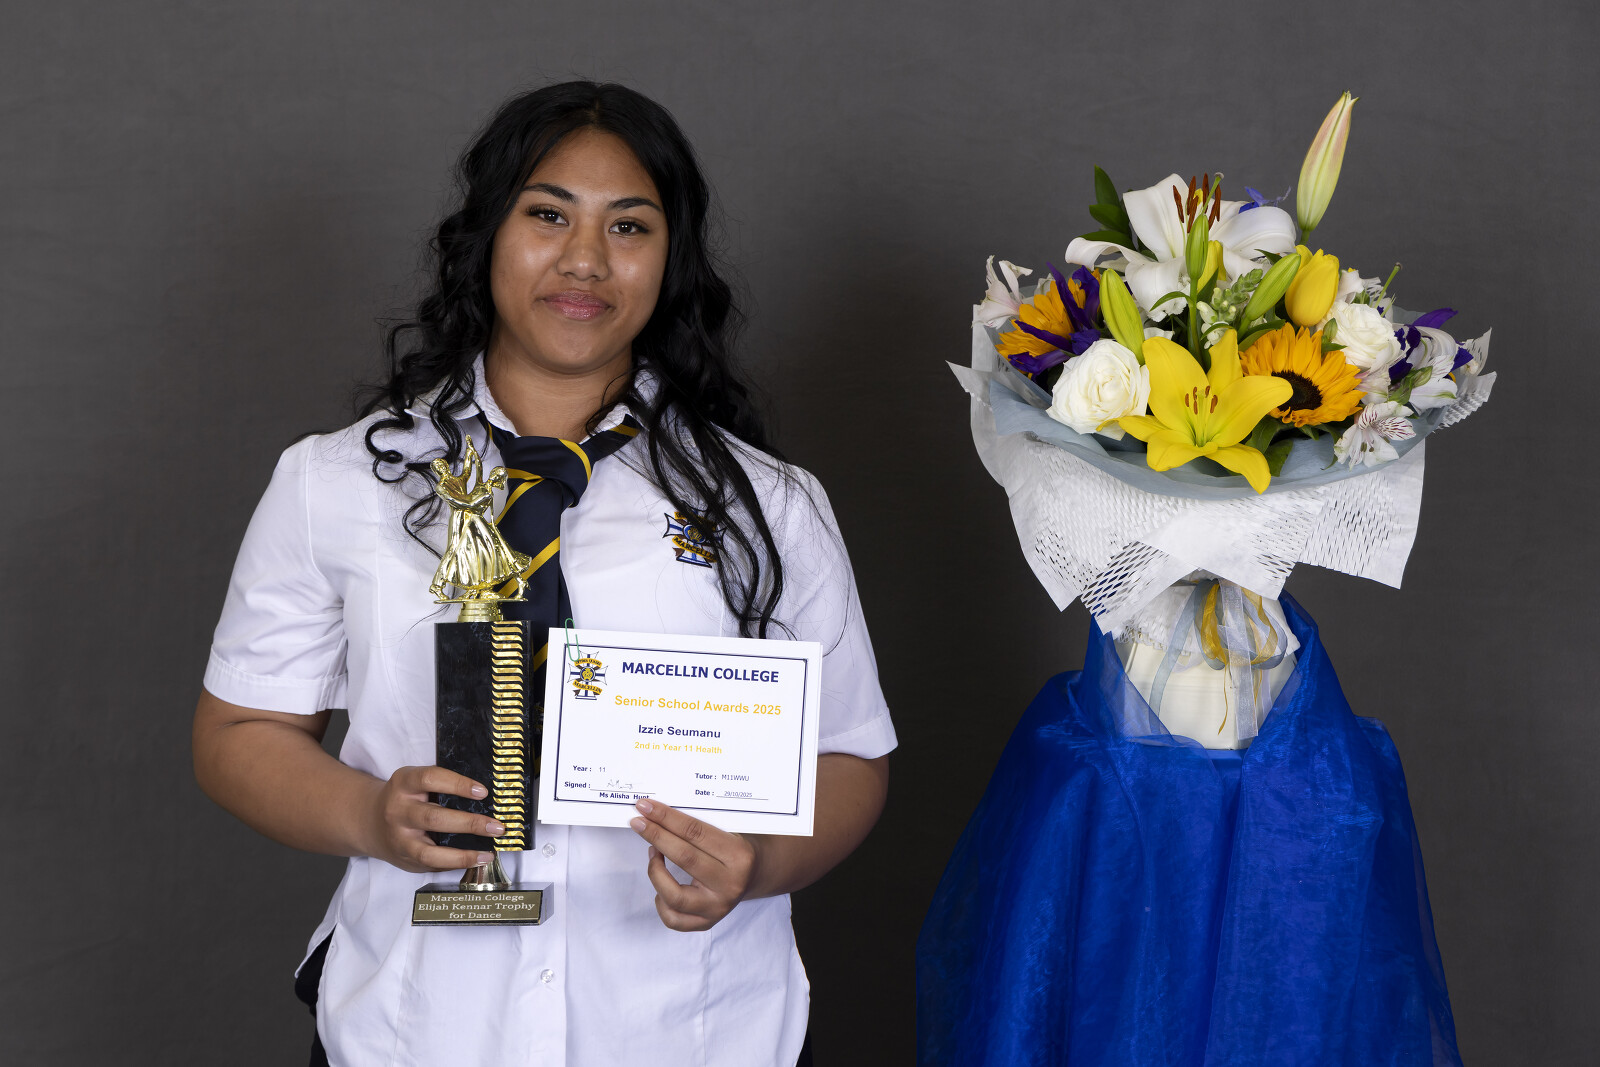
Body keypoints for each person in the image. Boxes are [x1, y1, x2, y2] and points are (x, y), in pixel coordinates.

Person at [192, 81, 895, 1067]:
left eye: (629, 226)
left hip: (690, 1032)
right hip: (419, 1029)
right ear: (487, 233)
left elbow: (849, 756)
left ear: (670, 259)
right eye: (548, 215)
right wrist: (368, 815)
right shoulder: (338, 481)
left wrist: (759, 861)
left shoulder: (767, 504)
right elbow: (239, 731)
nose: (585, 260)